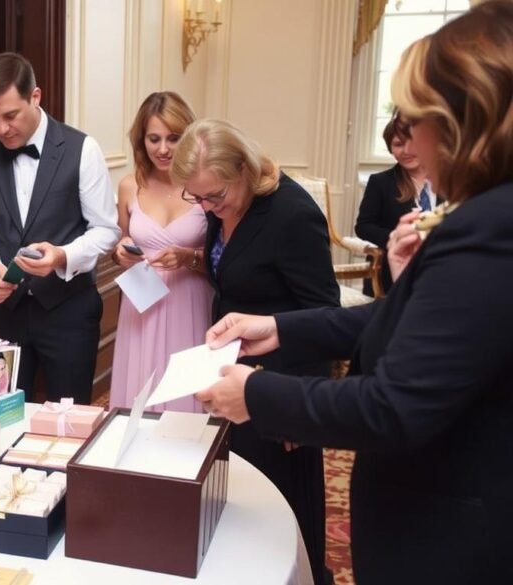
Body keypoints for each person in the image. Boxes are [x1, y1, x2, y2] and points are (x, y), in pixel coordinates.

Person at [196, 3, 513, 583]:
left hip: (448, 532)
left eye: (416, 117)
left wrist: (260, 396)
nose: (408, 137)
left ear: (462, 122)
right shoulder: (483, 216)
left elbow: (391, 408)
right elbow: (399, 319)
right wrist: (280, 328)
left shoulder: (489, 229)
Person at [170, 118, 339, 585]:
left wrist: (299, 403)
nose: (206, 207)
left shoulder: (292, 214)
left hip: (281, 384)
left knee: (281, 515)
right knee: (239, 504)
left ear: (243, 169)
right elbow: (231, 272)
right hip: (234, 377)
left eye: (214, 196)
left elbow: (323, 313)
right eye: (197, 197)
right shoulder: (216, 203)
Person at [0, 52, 119, 405]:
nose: (1, 129)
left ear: (36, 97)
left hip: (70, 312)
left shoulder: (82, 149)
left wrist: (63, 255)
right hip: (5, 314)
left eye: (10, 115)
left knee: (69, 417)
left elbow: (106, 229)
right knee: (2, 416)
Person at [109, 92, 212, 412]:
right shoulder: (130, 185)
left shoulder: (204, 185)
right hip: (142, 305)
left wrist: (188, 257)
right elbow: (122, 243)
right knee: (141, 389)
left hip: (191, 300)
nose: (163, 149)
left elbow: (227, 257)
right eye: (154, 139)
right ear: (141, 140)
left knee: (186, 395)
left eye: (173, 138)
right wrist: (120, 251)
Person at [354, 111, 435, 295]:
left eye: (412, 143)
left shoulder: (447, 181)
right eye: (398, 144)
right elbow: (363, 226)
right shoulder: (380, 182)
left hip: (439, 267)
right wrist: (399, 238)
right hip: (390, 275)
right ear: (391, 149)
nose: (406, 150)